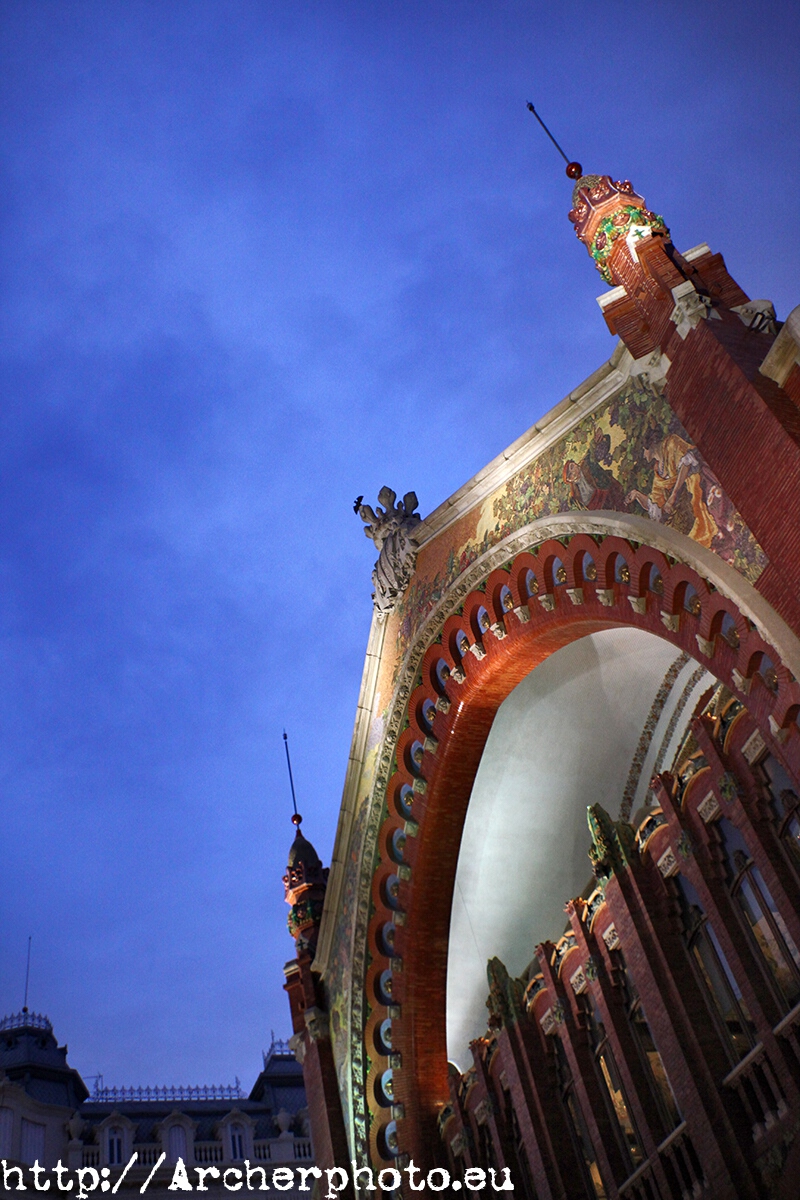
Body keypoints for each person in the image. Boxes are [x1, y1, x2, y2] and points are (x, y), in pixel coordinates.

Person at [626, 427, 717, 546]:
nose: (644, 455)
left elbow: (686, 464)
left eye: (644, 450)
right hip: (684, 507)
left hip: (698, 486)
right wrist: (637, 494)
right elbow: (653, 504)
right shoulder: (658, 472)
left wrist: (673, 495)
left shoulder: (671, 443)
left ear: (651, 445)